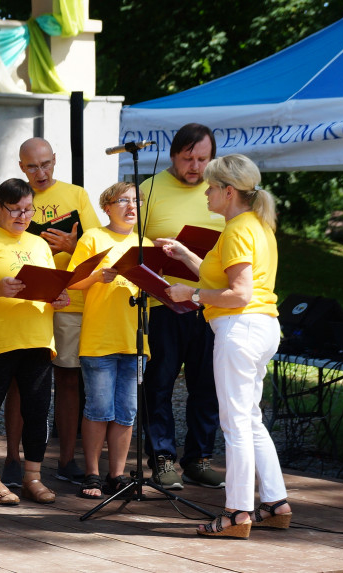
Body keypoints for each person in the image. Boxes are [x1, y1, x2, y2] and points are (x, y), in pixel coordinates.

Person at [161, 154, 291, 538]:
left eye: (212, 186)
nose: (206, 192)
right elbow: (229, 276)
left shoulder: (237, 230)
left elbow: (238, 293)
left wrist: (193, 294)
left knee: (235, 424)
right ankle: (276, 503)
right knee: (249, 420)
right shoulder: (256, 225)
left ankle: (237, 513)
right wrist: (185, 256)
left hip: (240, 328)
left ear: (229, 191)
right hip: (261, 327)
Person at [0, 138, 101, 487]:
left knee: (68, 378)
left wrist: (72, 246)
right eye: (31, 167)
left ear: (55, 161)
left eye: (45, 165)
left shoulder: (76, 195)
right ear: (21, 166)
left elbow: (97, 244)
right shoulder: (17, 198)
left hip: (69, 299)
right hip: (28, 304)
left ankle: (67, 459)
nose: (40, 173)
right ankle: (13, 457)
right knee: (18, 380)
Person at [0, 178, 68, 506]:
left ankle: (33, 477)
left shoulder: (39, 244)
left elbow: (48, 286)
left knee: (37, 411)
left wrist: (57, 297)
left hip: (37, 338)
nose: (22, 217)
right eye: (15, 210)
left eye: (28, 210)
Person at [140, 123, 227, 490]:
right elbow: (127, 235)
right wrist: (151, 250)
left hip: (212, 304)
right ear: (173, 154)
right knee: (159, 382)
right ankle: (162, 459)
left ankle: (199, 458)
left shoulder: (223, 189)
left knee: (206, 385)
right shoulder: (148, 189)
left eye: (203, 159)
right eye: (187, 158)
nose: (195, 166)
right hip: (165, 302)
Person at [68, 182, 150, 499]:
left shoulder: (146, 243)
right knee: (99, 408)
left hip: (135, 340)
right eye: (124, 201)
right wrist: (99, 276)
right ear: (107, 207)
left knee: (126, 411)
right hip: (100, 338)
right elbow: (74, 281)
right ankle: (92, 472)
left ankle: (117, 475)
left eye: (137, 201)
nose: (132, 207)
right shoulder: (93, 238)